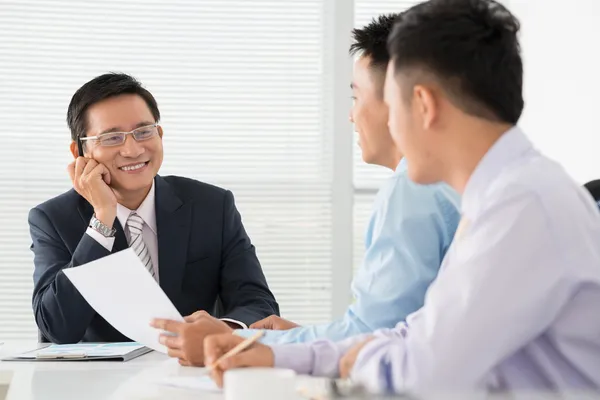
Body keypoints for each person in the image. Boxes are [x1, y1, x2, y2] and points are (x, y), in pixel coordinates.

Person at [202, 0, 600, 393]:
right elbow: (414, 333)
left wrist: (353, 359)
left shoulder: (521, 207)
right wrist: (277, 356)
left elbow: (424, 370)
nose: (388, 122)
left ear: (424, 105)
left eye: (391, 103)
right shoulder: (505, 194)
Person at [151, 14, 460, 366]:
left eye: (356, 97)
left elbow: (370, 336)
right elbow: (395, 330)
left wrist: (236, 341)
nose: (351, 116)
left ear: (403, 101)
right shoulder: (452, 183)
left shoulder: (413, 190)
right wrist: (291, 338)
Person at [29, 73, 279, 344]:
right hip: (99, 381)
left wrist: (221, 330)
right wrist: (102, 219)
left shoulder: (212, 206)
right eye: (112, 137)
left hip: (191, 375)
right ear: (80, 152)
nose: (133, 150)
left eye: (143, 131)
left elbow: (258, 303)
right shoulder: (52, 219)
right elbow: (58, 329)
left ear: (159, 134)